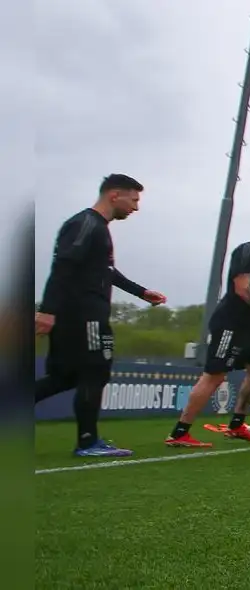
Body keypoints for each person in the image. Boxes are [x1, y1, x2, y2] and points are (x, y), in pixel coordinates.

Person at [35, 174, 167, 457]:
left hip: (79, 315)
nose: (136, 208)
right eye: (134, 200)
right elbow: (63, 266)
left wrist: (141, 292)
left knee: (64, 377)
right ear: (114, 195)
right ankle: (88, 443)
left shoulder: (99, 228)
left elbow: (106, 270)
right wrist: (46, 310)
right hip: (83, 316)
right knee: (95, 372)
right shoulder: (86, 224)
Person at [165, 213, 250, 447]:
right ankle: (179, 433)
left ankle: (236, 425)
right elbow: (243, 289)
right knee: (214, 376)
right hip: (230, 322)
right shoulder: (246, 251)